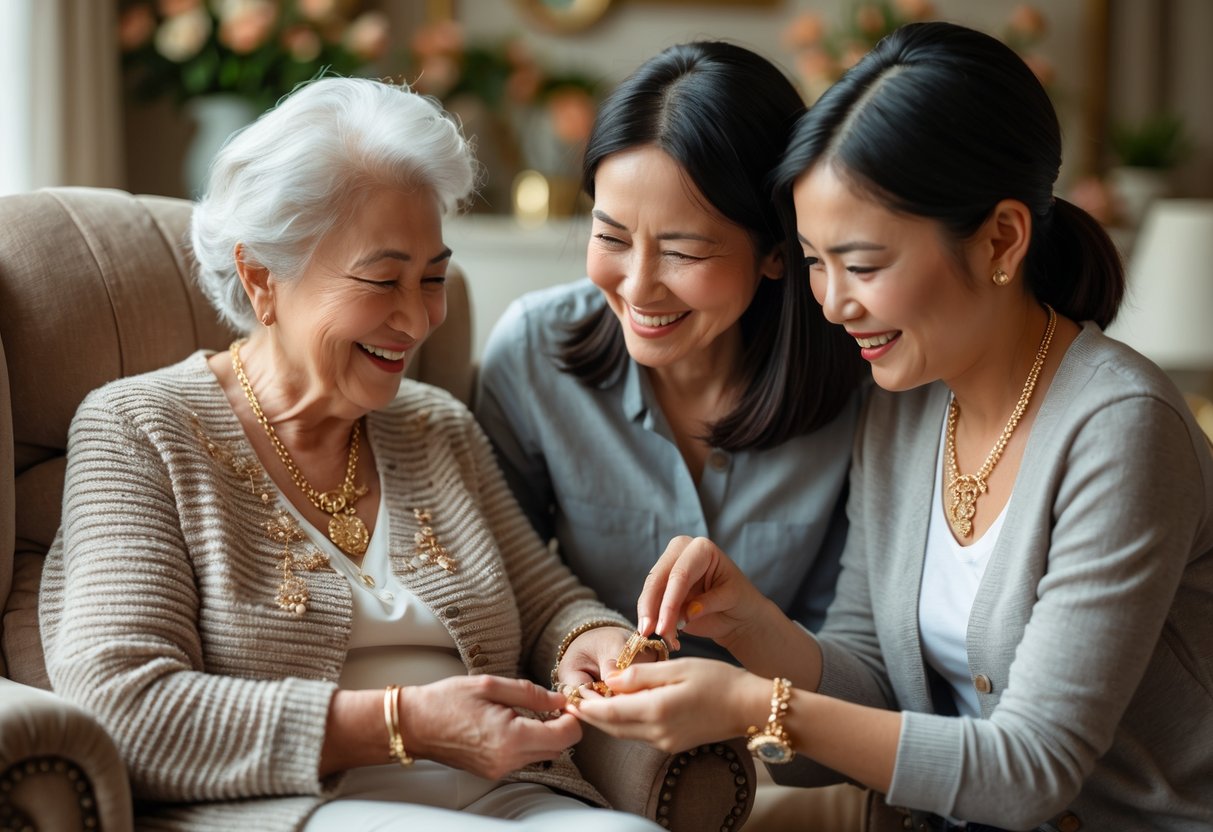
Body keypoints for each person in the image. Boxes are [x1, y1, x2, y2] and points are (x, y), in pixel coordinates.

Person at [570, 22, 1213, 832]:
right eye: (812, 261)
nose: (833, 304)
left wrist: (753, 702)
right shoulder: (904, 403)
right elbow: (868, 698)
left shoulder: (1121, 429)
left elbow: (1034, 770)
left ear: (1000, 239)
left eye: (864, 265)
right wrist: (750, 626)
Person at [37, 77, 661, 831]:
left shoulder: (436, 426)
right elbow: (121, 703)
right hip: (296, 810)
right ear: (262, 277)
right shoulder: (140, 430)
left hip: (514, 797)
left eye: (432, 277)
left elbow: (548, 604)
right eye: (381, 279)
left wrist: (589, 641)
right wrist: (407, 724)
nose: (417, 318)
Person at [475, 41, 865, 662]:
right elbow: (498, 590)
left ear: (775, 250)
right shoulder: (531, 353)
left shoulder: (861, 376)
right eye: (611, 237)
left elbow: (857, 650)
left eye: (683, 252)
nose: (637, 286)